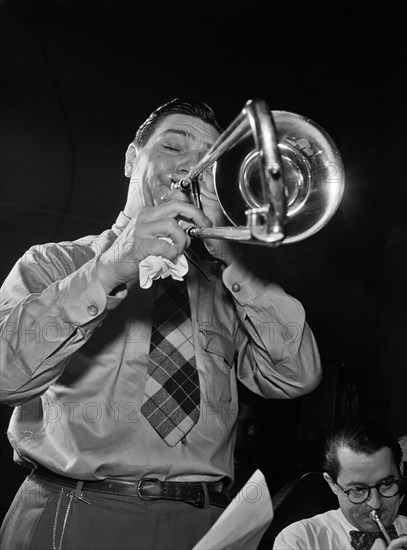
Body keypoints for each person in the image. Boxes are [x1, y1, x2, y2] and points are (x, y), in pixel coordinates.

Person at [0, 98, 321, 550]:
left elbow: (296, 378)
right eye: (174, 146)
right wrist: (113, 266)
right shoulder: (54, 262)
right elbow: (6, 377)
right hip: (76, 511)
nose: (191, 165)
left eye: (208, 157)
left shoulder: (228, 284)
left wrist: (235, 260)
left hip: (204, 524)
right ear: (132, 159)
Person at [273, 419, 407, 550]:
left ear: (400, 471)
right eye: (358, 489)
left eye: (386, 483)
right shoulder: (300, 540)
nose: (375, 504)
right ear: (332, 484)